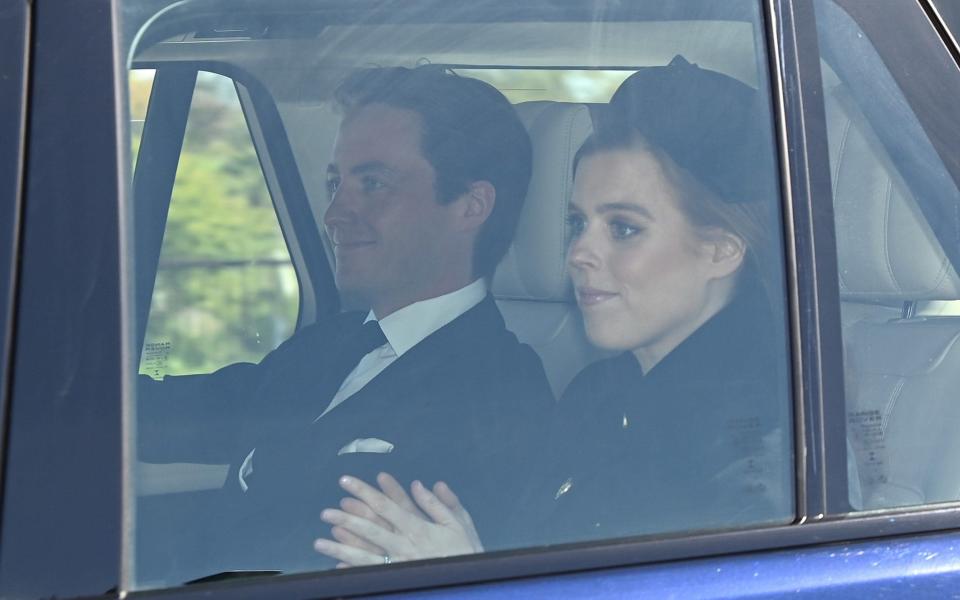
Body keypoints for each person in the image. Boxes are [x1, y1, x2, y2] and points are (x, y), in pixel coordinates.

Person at [312, 57, 793, 566]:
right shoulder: (600, 395)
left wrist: (466, 578)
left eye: (623, 228)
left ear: (720, 250)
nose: (579, 253)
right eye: (577, 222)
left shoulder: (762, 443)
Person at [136, 66, 553, 578]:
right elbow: (183, 414)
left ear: (470, 206)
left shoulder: (502, 394)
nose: (335, 213)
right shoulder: (326, 345)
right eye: (336, 183)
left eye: (373, 184)